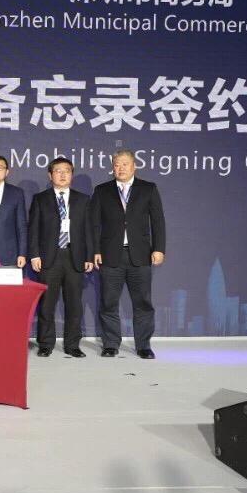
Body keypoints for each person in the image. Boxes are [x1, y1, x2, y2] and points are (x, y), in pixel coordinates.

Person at [90, 148, 166, 360]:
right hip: (110, 255)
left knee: (143, 303)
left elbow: (158, 221)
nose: (120, 168)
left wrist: (159, 248)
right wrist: (95, 250)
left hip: (140, 255)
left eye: (125, 164)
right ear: (112, 168)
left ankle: (143, 345)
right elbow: (94, 224)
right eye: (116, 165)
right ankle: (110, 344)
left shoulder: (148, 189)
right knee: (108, 302)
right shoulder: (102, 190)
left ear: (134, 166)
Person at [27, 157, 93, 358]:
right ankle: (46, 344)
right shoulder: (40, 199)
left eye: (67, 171)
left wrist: (89, 256)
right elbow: (33, 229)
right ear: (50, 175)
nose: (63, 175)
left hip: (75, 256)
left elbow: (89, 230)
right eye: (58, 171)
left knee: (74, 304)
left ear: (71, 175)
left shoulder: (83, 199)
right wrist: (34, 255)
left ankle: (72, 345)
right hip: (49, 257)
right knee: (47, 304)